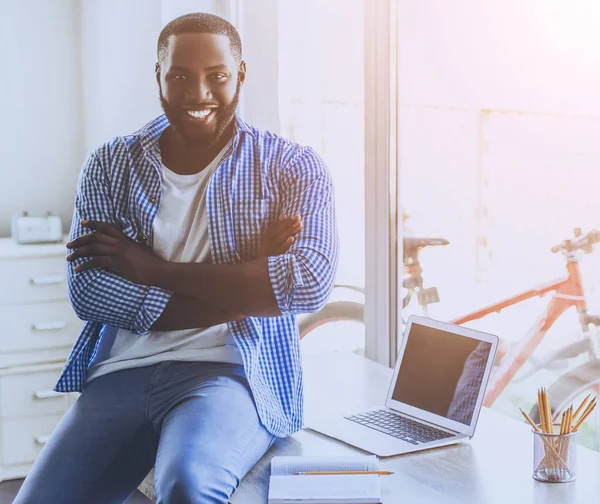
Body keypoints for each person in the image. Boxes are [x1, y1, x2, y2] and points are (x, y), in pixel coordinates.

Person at [15, 12, 338, 504]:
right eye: (181, 76)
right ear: (160, 76)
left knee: (187, 486)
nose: (199, 91)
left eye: (218, 76)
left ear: (241, 76)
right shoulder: (110, 165)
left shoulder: (289, 167)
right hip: (122, 372)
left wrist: (151, 269)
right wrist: (251, 278)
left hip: (230, 373)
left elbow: (307, 283)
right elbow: (91, 292)